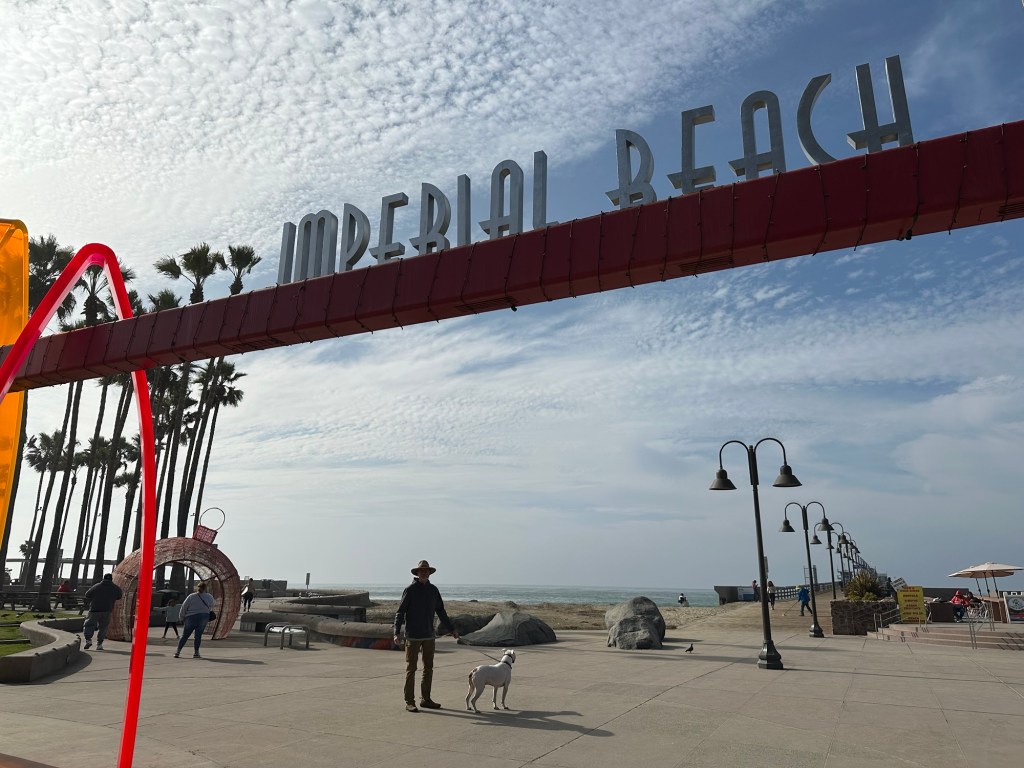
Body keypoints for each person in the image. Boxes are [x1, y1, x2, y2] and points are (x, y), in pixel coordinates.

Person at [393, 560, 459, 712]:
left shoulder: (433, 590)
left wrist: (452, 629)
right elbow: (400, 612)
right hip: (413, 636)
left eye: (426, 570)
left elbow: (441, 611)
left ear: (429, 573)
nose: (424, 573)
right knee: (411, 669)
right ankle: (410, 701)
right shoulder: (410, 590)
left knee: (428, 668)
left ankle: (426, 699)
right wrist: (396, 632)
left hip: (429, 635)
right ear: (417, 573)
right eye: (421, 570)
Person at [83, 573, 123, 650]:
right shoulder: (115, 588)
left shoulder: (96, 586)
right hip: (107, 610)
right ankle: (99, 644)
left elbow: (87, 594)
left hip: (94, 609)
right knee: (103, 628)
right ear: (111, 579)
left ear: (103, 578)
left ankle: (88, 640)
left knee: (89, 625)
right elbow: (119, 596)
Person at [175, 581, 215, 659]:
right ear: (205, 588)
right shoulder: (209, 596)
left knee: (185, 635)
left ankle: (178, 652)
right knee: (198, 636)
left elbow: (184, 606)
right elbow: (212, 604)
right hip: (204, 616)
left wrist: (181, 617)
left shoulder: (191, 596)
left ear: (198, 588)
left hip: (191, 617)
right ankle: (196, 653)